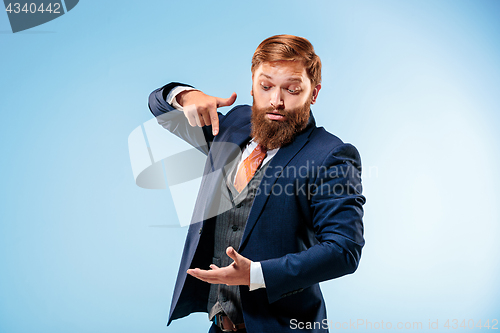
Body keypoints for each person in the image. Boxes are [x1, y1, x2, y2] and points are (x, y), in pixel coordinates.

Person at [148, 34, 365, 333]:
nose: (276, 100)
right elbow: (160, 107)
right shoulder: (232, 125)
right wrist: (186, 96)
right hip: (220, 325)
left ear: (313, 94)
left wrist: (257, 274)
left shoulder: (331, 155)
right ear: (252, 85)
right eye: (266, 86)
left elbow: (344, 250)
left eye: (292, 89)